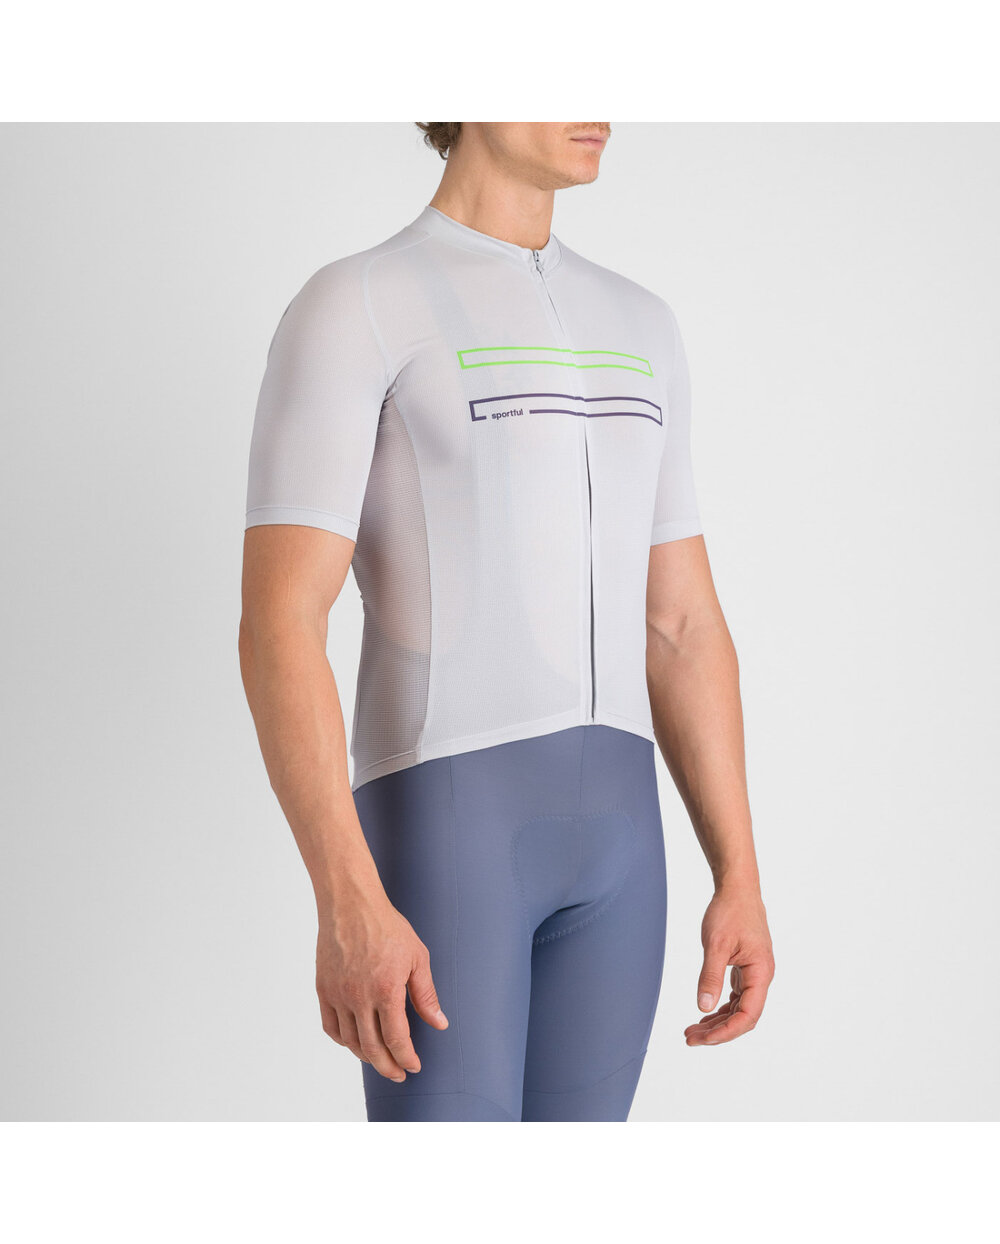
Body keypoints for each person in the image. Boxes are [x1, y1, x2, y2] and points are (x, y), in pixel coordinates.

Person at [238, 122, 774, 1122]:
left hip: (624, 853)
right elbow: (280, 622)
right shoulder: (359, 303)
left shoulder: (643, 322)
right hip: (450, 834)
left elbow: (681, 623)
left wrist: (737, 871)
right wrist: (345, 894)